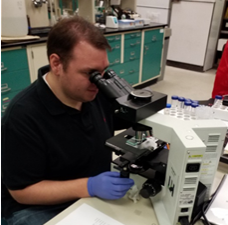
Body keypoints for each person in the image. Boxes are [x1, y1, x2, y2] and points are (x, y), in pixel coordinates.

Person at [1, 16, 134, 225]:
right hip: (36, 207)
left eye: (102, 71)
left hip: (88, 193)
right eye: (89, 73)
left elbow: (127, 118)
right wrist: (89, 186)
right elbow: (22, 192)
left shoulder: (94, 92)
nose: (99, 81)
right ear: (56, 63)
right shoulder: (22, 116)